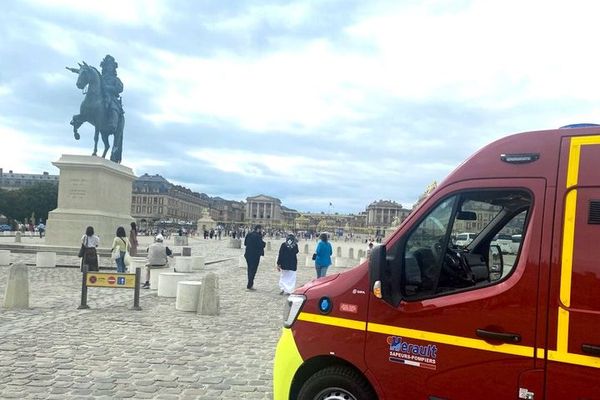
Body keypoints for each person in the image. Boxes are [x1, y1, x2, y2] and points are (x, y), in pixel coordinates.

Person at [99, 55, 124, 136]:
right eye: (107, 66)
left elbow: (120, 88)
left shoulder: (116, 80)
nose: (109, 67)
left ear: (113, 68)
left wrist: (108, 88)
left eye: (111, 66)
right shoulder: (100, 78)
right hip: (101, 96)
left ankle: (113, 123)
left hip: (112, 98)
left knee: (113, 106)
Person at [244, 224, 266, 291]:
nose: (262, 230)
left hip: (248, 254)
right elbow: (261, 245)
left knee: (249, 269)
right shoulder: (258, 236)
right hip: (255, 255)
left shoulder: (249, 234)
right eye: (261, 229)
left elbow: (245, 243)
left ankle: (250, 284)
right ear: (258, 229)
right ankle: (249, 285)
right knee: (253, 270)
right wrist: (264, 243)